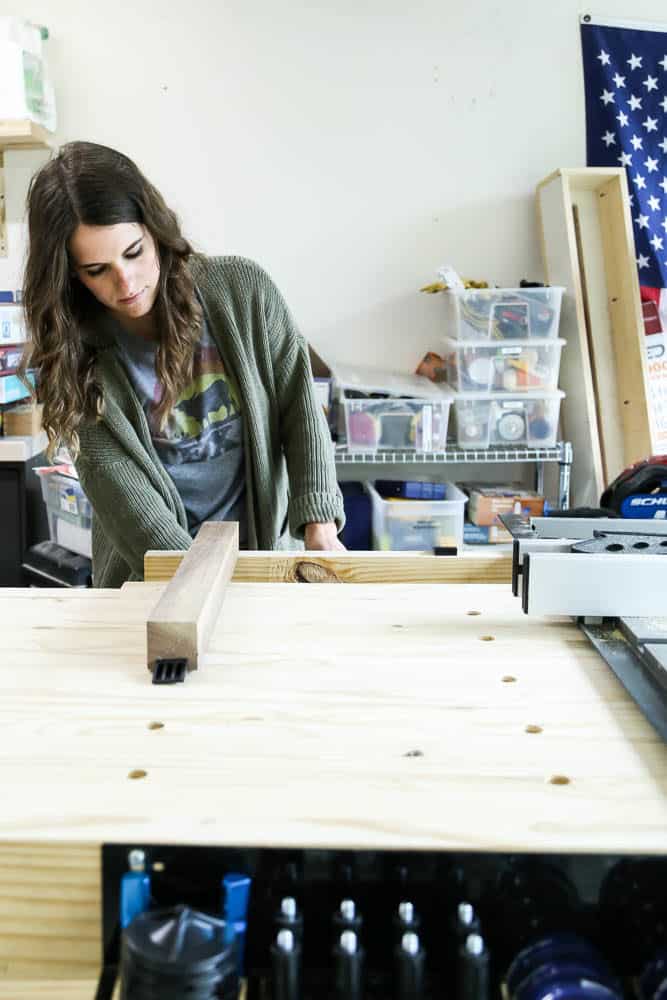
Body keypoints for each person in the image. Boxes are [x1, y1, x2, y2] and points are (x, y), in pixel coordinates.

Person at [21, 141, 345, 587]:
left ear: (154, 228)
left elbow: (300, 408)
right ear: (71, 276)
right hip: (153, 583)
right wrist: (206, 594)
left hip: (263, 565)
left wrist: (319, 526)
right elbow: (139, 517)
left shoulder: (243, 291)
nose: (126, 282)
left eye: (133, 252)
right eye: (98, 270)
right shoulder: (73, 362)